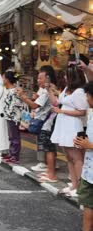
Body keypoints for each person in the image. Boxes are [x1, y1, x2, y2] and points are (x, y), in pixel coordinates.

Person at [50, 65, 88, 196]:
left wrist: (62, 111)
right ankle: (74, 184)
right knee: (68, 156)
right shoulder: (67, 89)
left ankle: (80, 187)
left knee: (76, 157)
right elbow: (56, 102)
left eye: (67, 75)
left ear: (73, 77)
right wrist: (50, 91)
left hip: (73, 125)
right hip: (63, 124)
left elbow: (82, 112)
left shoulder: (79, 92)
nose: (65, 77)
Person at [17, 65, 58, 180]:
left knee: (48, 148)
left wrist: (23, 97)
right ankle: (50, 170)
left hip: (46, 122)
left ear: (48, 78)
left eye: (40, 78)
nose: (38, 80)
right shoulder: (49, 89)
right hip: (47, 120)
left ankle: (51, 172)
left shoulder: (48, 90)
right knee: (48, 147)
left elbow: (35, 105)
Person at [73, 81, 93, 231]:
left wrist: (89, 145)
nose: (86, 98)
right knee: (87, 203)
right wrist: (83, 142)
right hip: (89, 169)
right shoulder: (91, 113)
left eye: (87, 95)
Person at [1, 71, 24, 164]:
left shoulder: (14, 91)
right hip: (10, 116)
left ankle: (15, 156)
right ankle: (12, 154)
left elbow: (16, 103)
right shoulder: (11, 90)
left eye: (3, 78)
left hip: (13, 117)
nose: (2, 80)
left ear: (7, 80)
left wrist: (9, 113)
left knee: (14, 137)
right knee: (11, 136)